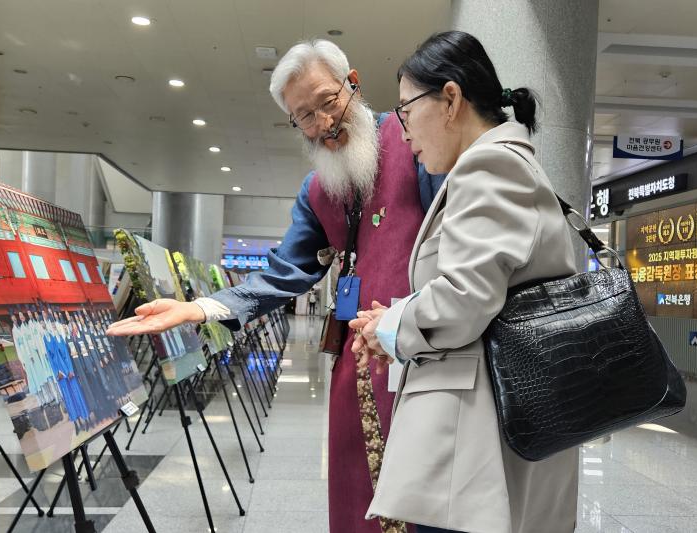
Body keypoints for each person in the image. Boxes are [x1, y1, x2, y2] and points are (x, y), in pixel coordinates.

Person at [107, 39, 444, 533]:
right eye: (304, 116)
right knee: (359, 503)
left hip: (427, 357)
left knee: (426, 503)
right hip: (359, 369)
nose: (323, 125)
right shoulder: (318, 190)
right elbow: (285, 271)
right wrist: (201, 309)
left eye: (328, 102)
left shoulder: (413, 140)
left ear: (353, 83)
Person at [351, 31, 579, 533]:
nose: (403, 130)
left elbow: (463, 299)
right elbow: (481, 291)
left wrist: (391, 326)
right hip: (491, 437)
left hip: (479, 453)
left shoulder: (488, 165)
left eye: (406, 110)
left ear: (450, 99)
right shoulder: (495, 165)